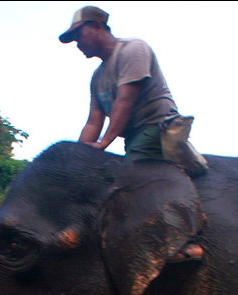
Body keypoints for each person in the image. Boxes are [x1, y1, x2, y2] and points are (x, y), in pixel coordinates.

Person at [60, 5, 204, 260]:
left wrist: (104, 143)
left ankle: (186, 245)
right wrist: (78, 157)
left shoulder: (133, 50)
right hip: (134, 138)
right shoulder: (98, 78)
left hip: (159, 128)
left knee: (134, 179)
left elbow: (124, 102)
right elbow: (94, 120)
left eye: (79, 35)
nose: (77, 44)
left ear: (98, 27)